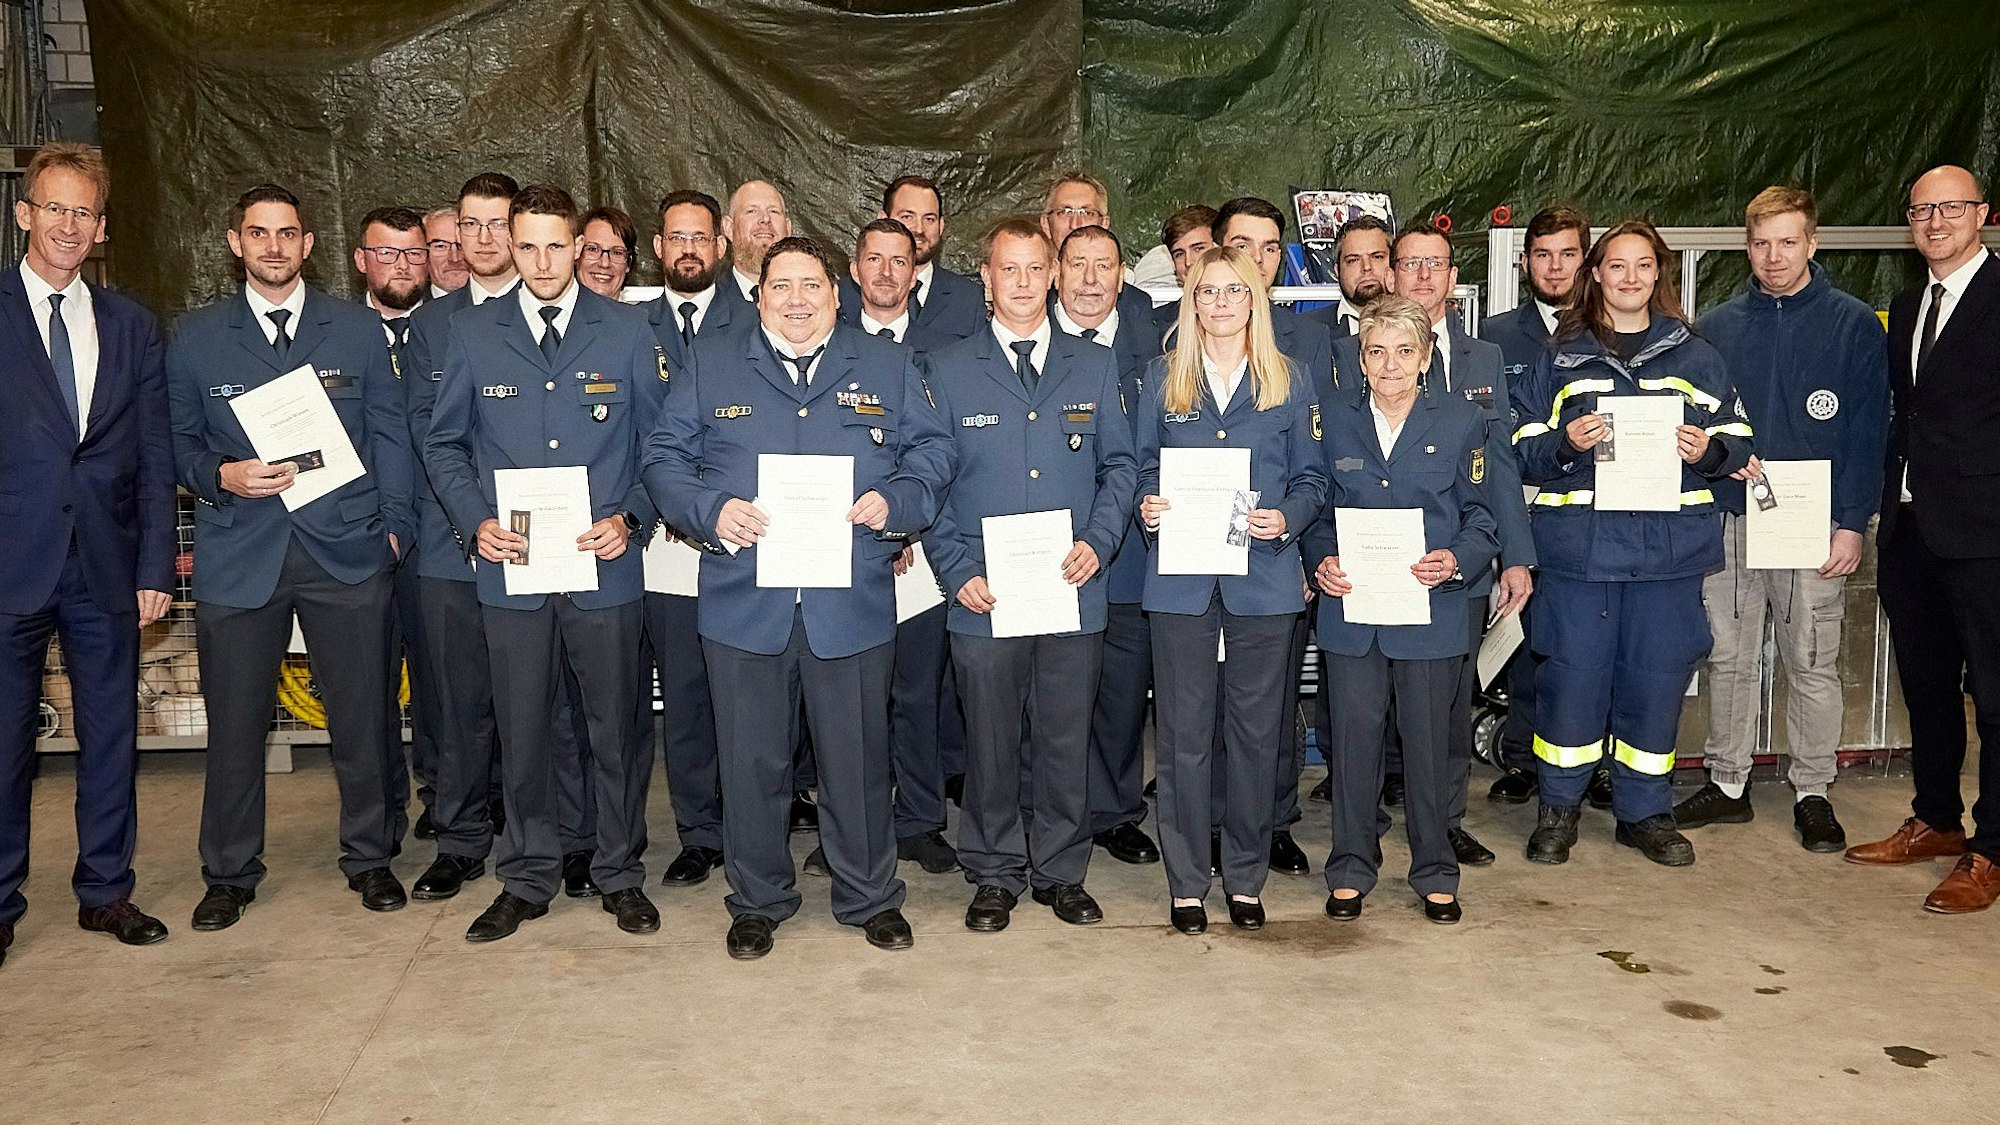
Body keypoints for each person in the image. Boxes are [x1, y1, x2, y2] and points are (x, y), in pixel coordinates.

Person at [642, 236, 955, 959]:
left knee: (859, 759)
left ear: (835, 293)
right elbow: (662, 457)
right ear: (759, 296)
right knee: (751, 762)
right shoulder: (712, 363)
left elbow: (934, 456)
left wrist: (894, 501)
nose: (795, 299)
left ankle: (870, 895)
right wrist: (708, 509)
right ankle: (758, 899)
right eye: (780, 285)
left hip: (849, 604)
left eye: (810, 285)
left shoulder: (888, 362)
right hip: (744, 603)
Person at [423, 183, 667, 942]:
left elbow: (661, 448)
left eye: (554, 244)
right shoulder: (472, 331)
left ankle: (619, 871)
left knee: (612, 728)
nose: (540, 260)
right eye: (524, 245)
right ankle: (526, 874)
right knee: (522, 726)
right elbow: (444, 444)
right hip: (514, 571)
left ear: (580, 244)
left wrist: (631, 517)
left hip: (606, 569)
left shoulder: (628, 331)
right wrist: (476, 523)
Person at [167, 183, 415, 929]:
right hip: (241, 551)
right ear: (234, 243)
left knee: (364, 715)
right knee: (236, 723)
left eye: (288, 233)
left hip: (346, 547)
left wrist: (395, 525)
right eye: (258, 233)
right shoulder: (193, 336)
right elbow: (177, 442)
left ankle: (371, 857)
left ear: (310, 245)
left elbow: (391, 434)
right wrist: (219, 474)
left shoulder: (356, 330)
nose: (274, 245)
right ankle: (229, 871)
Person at [1509, 220, 1753, 867]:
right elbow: (1518, 447)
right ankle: (1559, 807)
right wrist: (1566, 442)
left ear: (1658, 274)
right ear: (1596, 274)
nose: (1629, 278)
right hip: (1581, 556)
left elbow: (1741, 440)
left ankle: (1645, 811)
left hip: (1668, 557)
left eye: (1643, 266)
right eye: (1616, 266)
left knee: (1656, 682)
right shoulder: (1561, 357)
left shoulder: (1697, 356)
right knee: (1573, 680)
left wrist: (1711, 451)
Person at [925, 218, 1136, 932]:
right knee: (988, 741)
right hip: (983, 597)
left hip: (1073, 589)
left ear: (1052, 276)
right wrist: (955, 570)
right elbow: (930, 481)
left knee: (1063, 737)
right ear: (984, 278)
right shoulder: (947, 370)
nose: (1020, 283)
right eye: (1005, 270)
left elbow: (1120, 467)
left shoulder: (1095, 365)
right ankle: (992, 871)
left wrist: (1101, 541)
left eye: (1032, 269)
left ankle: (1059, 869)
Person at [0, 142, 175, 967]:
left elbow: (154, 453)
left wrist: (154, 569)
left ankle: (106, 890)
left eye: (84, 212)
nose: (68, 225)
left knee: (111, 736)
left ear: (100, 228)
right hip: (10, 565)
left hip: (106, 566)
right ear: (24, 212)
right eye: (54, 207)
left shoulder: (133, 324)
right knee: (6, 744)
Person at [1676, 187, 1887, 851]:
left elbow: (1865, 434)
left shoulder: (1853, 324)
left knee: (1811, 658)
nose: (1773, 256)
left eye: (1787, 242)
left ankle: (1813, 788)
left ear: (1812, 243)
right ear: (1747, 246)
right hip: (1734, 517)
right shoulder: (1718, 325)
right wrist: (1715, 472)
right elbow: (1699, 423)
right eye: (1762, 242)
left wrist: (1851, 521)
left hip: (1811, 521)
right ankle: (1729, 779)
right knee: (1730, 654)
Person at [1136, 245, 1327, 934]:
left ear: (1256, 300)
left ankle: (1244, 877)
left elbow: (1313, 479)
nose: (1220, 303)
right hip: (1182, 583)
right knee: (1184, 738)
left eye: (1234, 291)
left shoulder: (1292, 380)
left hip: (1264, 582)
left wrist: (1289, 518)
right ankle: (1186, 881)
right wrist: (1147, 505)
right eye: (1207, 291)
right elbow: (1133, 468)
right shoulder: (1161, 380)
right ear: (1191, 302)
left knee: (1255, 737)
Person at [1307, 295, 1497, 924]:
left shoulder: (1463, 422)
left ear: (1426, 358)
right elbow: (1317, 509)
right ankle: (1351, 867)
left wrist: (1458, 561)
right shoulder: (1330, 419)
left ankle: (1435, 869)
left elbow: (1481, 517)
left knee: (1430, 750)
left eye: (1403, 352)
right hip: (1352, 614)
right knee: (1353, 746)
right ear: (1360, 359)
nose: (1388, 366)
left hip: (1430, 613)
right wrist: (1322, 559)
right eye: (1375, 352)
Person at [1848, 166, 2000, 914]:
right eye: (1921, 209)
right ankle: (1938, 819)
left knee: (1996, 697)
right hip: (1910, 530)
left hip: (1985, 534)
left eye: (1950, 207)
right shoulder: (1909, 306)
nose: (1935, 220)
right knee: (1928, 688)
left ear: (1983, 213)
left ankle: (1992, 849)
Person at [1380, 219, 1534, 868]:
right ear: (1389, 275)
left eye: (1434, 264)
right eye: (1410, 263)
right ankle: (1366, 817)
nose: (1422, 275)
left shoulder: (1482, 360)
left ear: (1452, 278)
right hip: (1378, 560)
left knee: (1448, 706)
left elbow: (1499, 465)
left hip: (1458, 566)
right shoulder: (1359, 349)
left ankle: (1441, 826)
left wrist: (1517, 555)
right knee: (1370, 700)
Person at [833, 216, 961, 876]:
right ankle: (854, 829)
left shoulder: (947, 350)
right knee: (850, 699)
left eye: (898, 260)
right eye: (872, 260)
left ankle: (918, 817)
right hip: (843, 553)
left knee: (917, 692)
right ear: (853, 272)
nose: (885, 271)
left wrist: (905, 526)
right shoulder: (826, 345)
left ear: (917, 273)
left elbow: (945, 454)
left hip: (923, 553)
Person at [1210, 195, 1333, 876]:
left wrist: (1304, 543)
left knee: (1276, 700)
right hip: (1199, 561)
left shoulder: (1309, 341)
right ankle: (1212, 819)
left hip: (1278, 557)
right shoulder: (1186, 338)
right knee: (1208, 702)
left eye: (1266, 249)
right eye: (1239, 245)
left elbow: (1319, 459)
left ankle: (1274, 821)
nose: (1253, 261)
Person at [1050, 225, 1165, 867]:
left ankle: (1117, 811)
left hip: (1128, 556)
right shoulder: (1030, 347)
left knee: (1121, 692)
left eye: (1105, 266)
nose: (1091, 280)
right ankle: (1049, 809)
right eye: (1078, 265)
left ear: (1123, 278)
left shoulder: (1154, 353)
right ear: (1056, 273)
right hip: (1042, 552)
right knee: (1053, 696)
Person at [1480, 205, 1593, 806]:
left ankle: (1592, 761)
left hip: (1592, 512)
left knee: (1584, 642)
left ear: (1586, 257)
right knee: (1522, 635)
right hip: (1521, 506)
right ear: (1525, 262)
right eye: (1543, 254)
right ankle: (1522, 756)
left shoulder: (1611, 328)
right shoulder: (1496, 337)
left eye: (1568, 253)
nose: (1555, 266)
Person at [637, 188, 734, 890]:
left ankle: (764, 814)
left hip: (749, 532)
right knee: (688, 690)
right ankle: (700, 831)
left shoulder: (759, 319)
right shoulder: (626, 328)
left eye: (701, 236)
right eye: (677, 237)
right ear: (658, 248)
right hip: (665, 538)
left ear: (722, 247)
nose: (689, 248)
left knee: (756, 687)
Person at [350, 205, 437, 847]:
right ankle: (381, 812)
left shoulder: (454, 329)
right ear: (361, 261)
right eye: (388, 253)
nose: (402, 265)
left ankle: (443, 792)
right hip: (360, 538)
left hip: (438, 537)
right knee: (369, 682)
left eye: (413, 253)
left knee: (441, 677)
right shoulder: (339, 336)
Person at [871, 174, 985, 341]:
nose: (919, 229)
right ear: (883, 220)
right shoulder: (846, 296)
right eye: (907, 217)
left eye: (929, 219)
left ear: (941, 226)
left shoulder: (968, 298)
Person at [1040, 171, 1155, 328]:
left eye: (1087, 213)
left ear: (1104, 224)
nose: (1075, 224)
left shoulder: (1136, 307)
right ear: (1046, 224)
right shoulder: (1030, 301)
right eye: (1064, 212)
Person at [1304, 213, 1392, 339]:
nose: (1366, 267)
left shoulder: (1419, 325)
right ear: (1337, 271)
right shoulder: (1307, 329)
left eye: (1377, 257)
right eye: (1353, 260)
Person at [722, 180, 792, 303]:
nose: (765, 218)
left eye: (774, 211)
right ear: (728, 228)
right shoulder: (706, 301)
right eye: (752, 211)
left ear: (788, 228)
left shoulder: (818, 297)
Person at [1151, 203, 1216, 335]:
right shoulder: (1155, 325)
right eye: (1179, 254)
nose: (1189, 262)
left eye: (1198, 249)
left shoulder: (1256, 317)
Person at [576, 205, 636, 299]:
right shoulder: (556, 313)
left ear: (629, 263)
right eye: (593, 249)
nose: (605, 263)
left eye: (617, 252)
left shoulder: (643, 314)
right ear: (576, 254)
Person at [423, 205, 469, 296]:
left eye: (462, 245)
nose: (454, 259)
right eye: (440, 246)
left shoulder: (501, 305)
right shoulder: (412, 307)